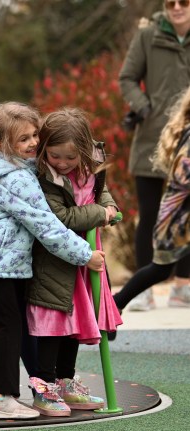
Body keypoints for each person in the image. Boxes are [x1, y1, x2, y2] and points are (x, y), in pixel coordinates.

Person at [0, 102, 106, 420]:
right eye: (24, 138)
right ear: (1, 143)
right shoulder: (16, 180)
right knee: (8, 327)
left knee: (4, 325)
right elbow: (48, 227)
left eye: (34, 134)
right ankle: (1, 396)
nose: (34, 142)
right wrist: (85, 255)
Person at [25, 108, 123, 416]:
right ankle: (44, 388)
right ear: (44, 151)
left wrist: (109, 206)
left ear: (83, 150)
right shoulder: (45, 177)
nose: (63, 164)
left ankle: (66, 380)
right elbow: (62, 217)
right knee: (54, 323)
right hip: (56, 259)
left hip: (86, 258)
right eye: (55, 156)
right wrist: (100, 213)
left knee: (77, 321)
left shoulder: (89, 165)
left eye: (70, 158)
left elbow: (100, 192)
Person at [119, 0, 190, 311]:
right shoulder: (148, 35)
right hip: (153, 139)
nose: (176, 7)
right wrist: (144, 107)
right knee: (148, 214)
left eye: (183, 2)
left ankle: (182, 286)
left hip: (188, 141)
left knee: (187, 213)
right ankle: (143, 290)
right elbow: (127, 78)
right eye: (170, 2)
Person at [113, 86, 190, 317]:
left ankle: (116, 303)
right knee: (159, 270)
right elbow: (184, 175)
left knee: (159, 270)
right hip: (176, 220)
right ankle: (116, 303)